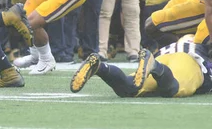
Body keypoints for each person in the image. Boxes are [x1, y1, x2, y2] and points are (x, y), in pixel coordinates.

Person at [71, 37, 212, 98]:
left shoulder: (181, 41)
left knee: (129, 88)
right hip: (189, 60)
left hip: (161, 55)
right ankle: (155, 67)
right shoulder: (200, 42)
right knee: (173, 89)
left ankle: (100, 68)